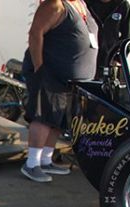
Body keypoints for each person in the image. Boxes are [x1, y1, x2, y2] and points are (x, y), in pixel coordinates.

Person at [21, 0, 98, 183]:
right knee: (44, 117)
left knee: (58, 120)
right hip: (51, 73)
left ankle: (46, 160)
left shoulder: (81, 4)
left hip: (69, 80)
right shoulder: (55, 5)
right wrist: (40, 68)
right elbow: (35, 33)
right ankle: (31, 164)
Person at [89, 0, 130, 77]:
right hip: (90, 59)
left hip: (110, 61)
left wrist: (118, 59)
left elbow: (126, 37)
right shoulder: (87, 3)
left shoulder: (122, 5)